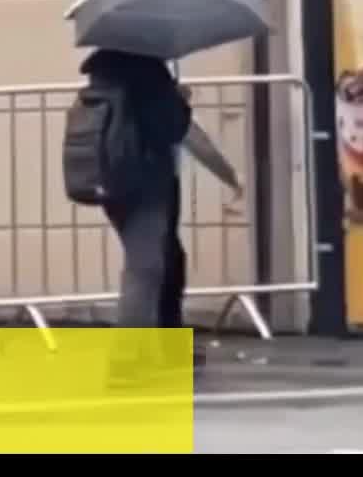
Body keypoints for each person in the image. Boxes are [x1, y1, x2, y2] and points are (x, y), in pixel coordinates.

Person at [81, 47, 242, 333]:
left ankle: (164, 343)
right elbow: (172, 125)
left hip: (112, 176)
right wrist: (179, 100)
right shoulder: (147, 71)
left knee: (164, 258)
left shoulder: (102, 71)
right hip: (147, 179)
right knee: (148, 267)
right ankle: (132, 358)